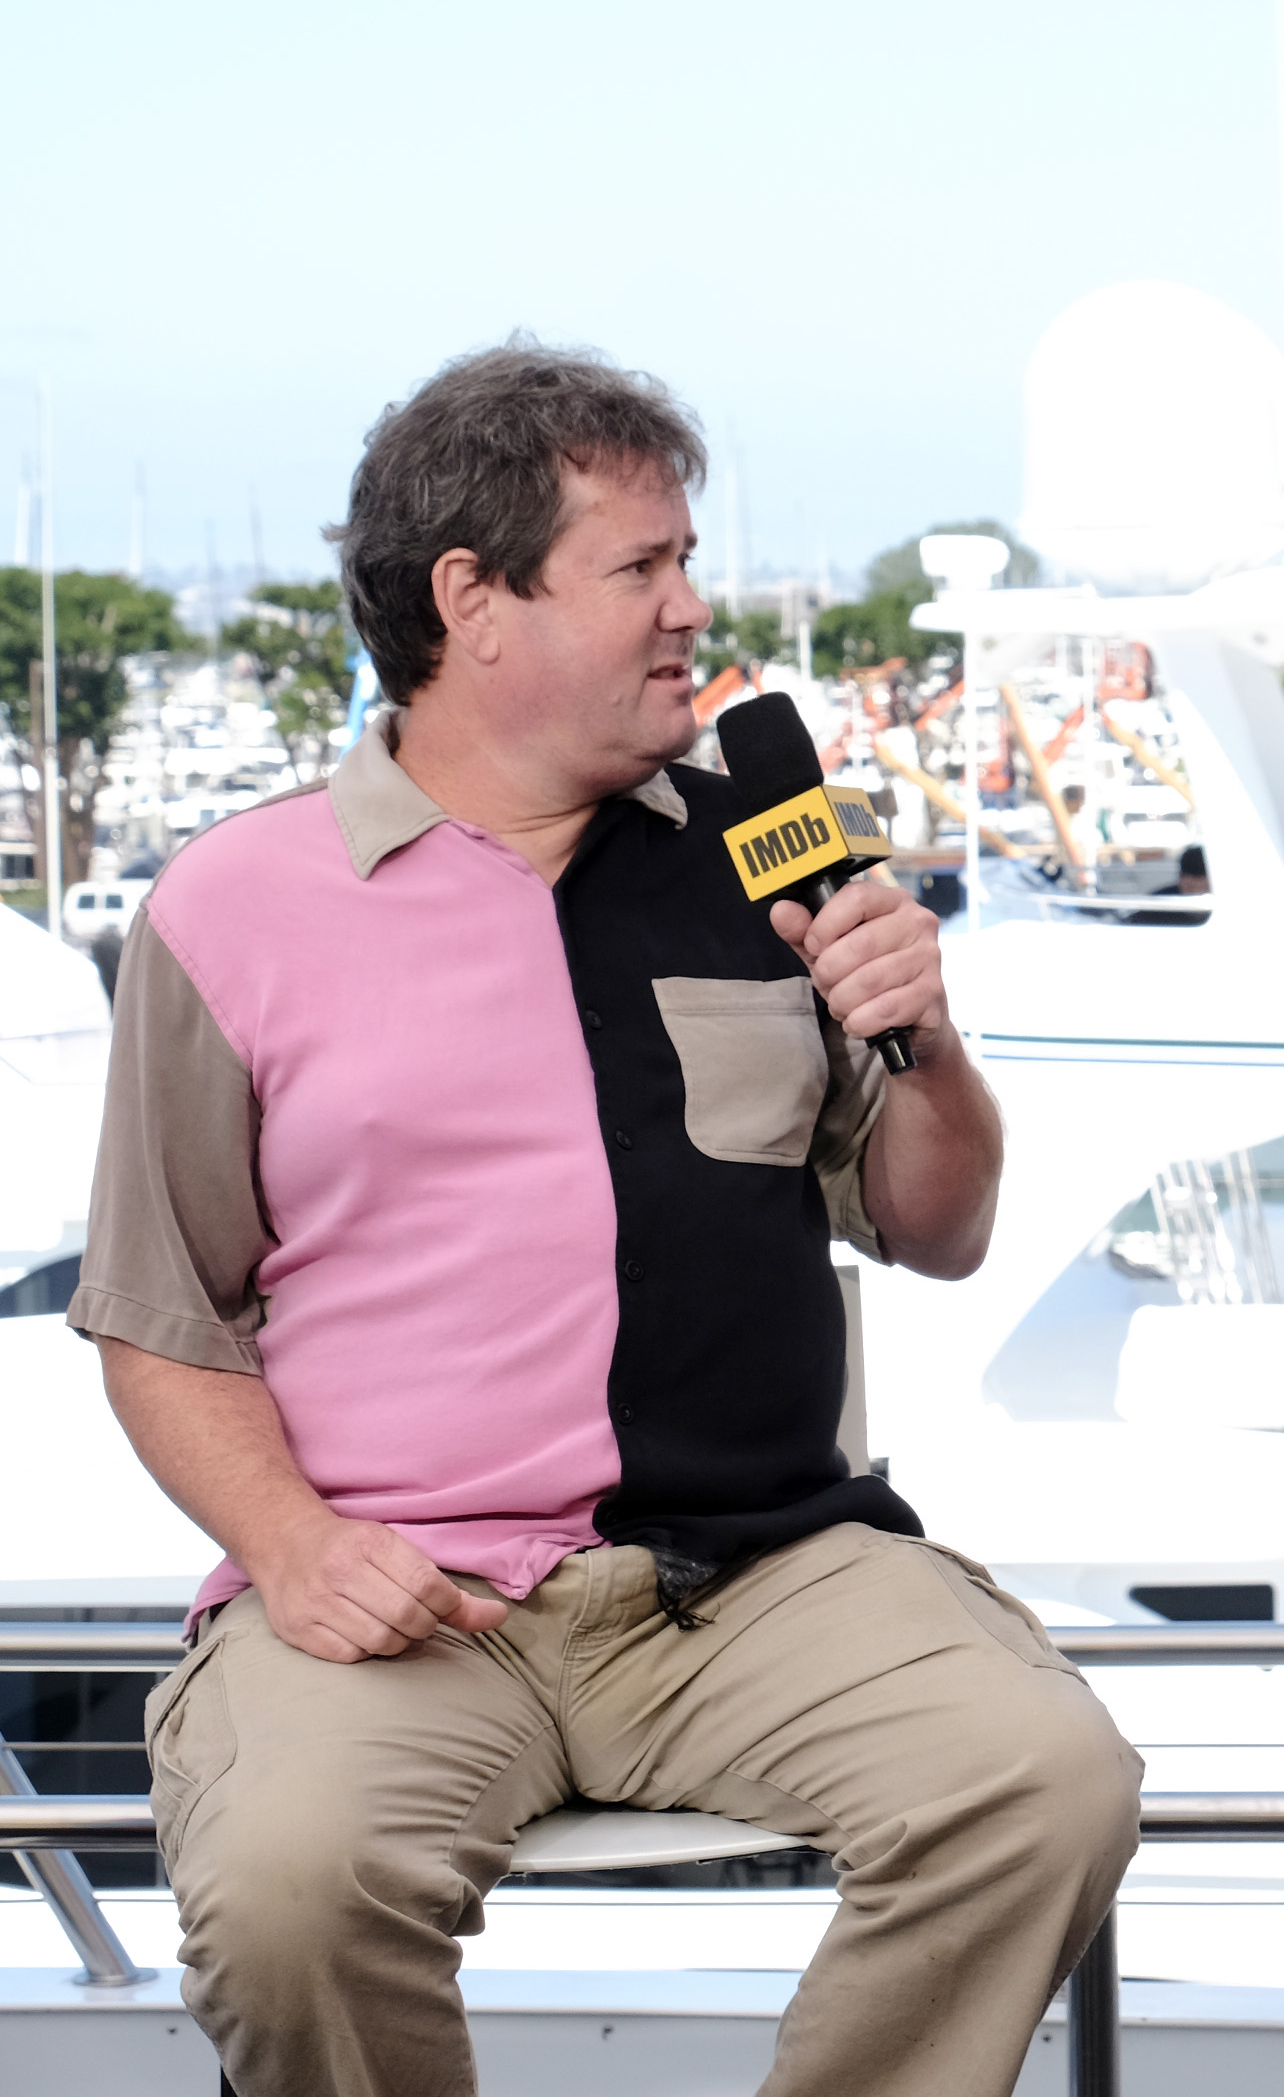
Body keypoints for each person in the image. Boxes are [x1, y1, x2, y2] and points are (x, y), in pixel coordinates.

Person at [70, 343, 1141, 2097]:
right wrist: (289, 1541)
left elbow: (933, 1226)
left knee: (1046, 1781)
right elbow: (155, 1308)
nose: (691, 608)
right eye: (642, 566)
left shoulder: (765, 854)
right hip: (405, 1586)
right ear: (473, 602)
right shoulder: (233, 907)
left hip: (758, 1573)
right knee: (282, 1887)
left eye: (684, 561)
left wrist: (931, 1046)